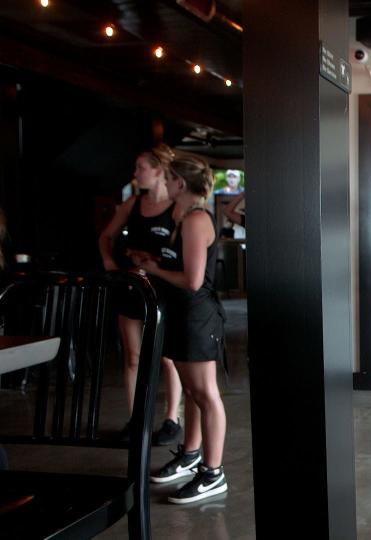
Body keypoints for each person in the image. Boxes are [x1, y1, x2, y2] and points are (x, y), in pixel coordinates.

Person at [138, 155, 228, 504]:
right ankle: (192, 455)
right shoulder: (183, 217)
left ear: (179, 184)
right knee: (194, 393)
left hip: (197, 315)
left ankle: (213, 472)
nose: (164, 182)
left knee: (206, 394)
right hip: (184, 314)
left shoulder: (194, 219)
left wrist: (153, 270)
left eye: (169, 177)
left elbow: (192, 281)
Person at [98, 145, 183, 445]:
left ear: (159, 170)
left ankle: (172, 418)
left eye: (140, 168)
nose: (135, 174)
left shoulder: (176, 208)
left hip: (164, 291)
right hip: (133, 289)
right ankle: (137, 420)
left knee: (168, 358)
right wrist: (110, 263)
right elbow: (105, 236)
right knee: (133, 357)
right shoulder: (132, 204)